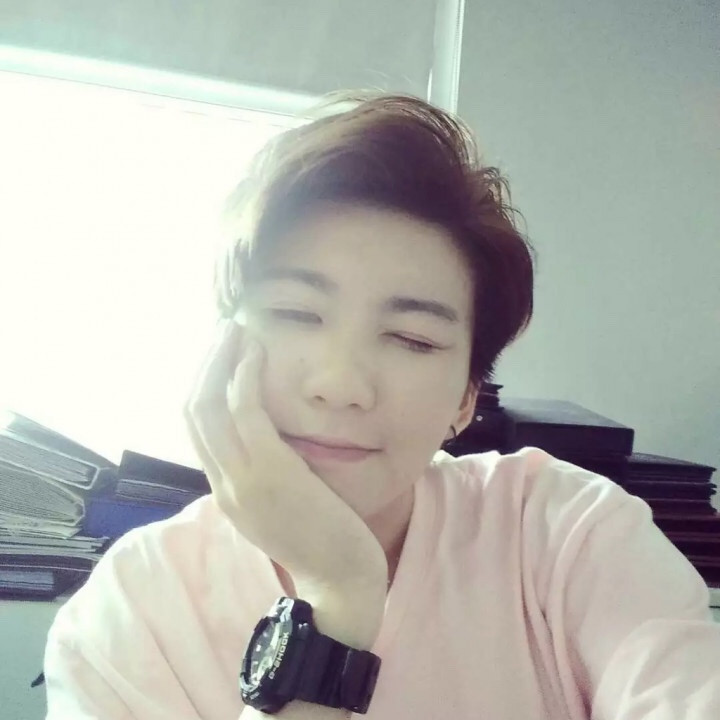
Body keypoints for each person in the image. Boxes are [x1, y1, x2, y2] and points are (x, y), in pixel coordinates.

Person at [43, 91, 720, 719]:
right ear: (221, 348)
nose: (341, 384)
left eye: (412, 339)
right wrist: (335, 602)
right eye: (296, 313)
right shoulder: (133, 607)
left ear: (466, 400)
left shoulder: (566, 533)